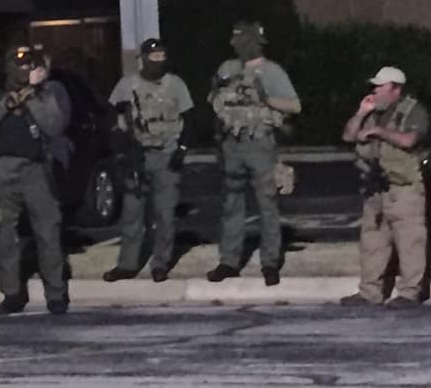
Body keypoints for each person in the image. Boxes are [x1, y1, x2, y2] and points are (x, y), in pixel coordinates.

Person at [0, 45, 69, 315]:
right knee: (5, 235)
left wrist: (34, 96)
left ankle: (56, 294)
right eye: (19, 64)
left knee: (48, 231)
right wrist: (7, 104)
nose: (24, 69)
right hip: (3, 170)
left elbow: (54, 126)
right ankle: (12, 294)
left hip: (35, 170)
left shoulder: (44, 94)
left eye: (29, 65)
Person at [206, 21, 301, 287]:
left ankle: (270, 263)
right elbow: (215, 103)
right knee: (231, 206)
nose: (234, 44)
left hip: (259, 144)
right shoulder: (227, 68)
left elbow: (294, 105)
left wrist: (266, 99)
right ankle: (229, 261)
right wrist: (218, 144)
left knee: (267, 206)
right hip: (230, 145)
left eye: (239, 39)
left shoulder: (272, 71)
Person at [102, 38, 194, 284]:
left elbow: (189, 118)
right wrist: (122, 153)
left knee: (165, 214)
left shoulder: (175, 84)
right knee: (132, 214)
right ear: (143, 58)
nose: (158, 61)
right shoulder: (127, 85)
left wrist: (181, 150)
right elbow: (114, 120)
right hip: (138, 156)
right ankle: (127, 264)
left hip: (166, 155)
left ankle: (160, 264)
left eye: (161, 57)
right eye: (153, 57)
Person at [340, 66, 430, 309]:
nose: (374, 90)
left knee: (410, 241)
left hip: (404, 188)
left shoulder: (413, 111)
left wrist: (379, 131)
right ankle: (370, 292)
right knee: (372, 242)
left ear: (395, 89)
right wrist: (361, 114)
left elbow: (409, 140)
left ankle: (410, 292)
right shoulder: (372, 112)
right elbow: (349, 136)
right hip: (376, 187)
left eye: (380, 86)